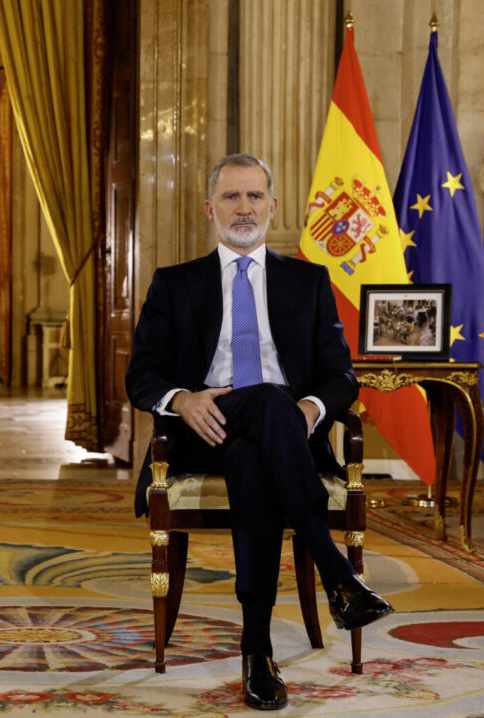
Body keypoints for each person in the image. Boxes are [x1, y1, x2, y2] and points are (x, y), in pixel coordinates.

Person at [125, 154, 393, 710]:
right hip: (202, 433)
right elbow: (140, 377)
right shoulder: (174, 284)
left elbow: (341, 375)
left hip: (283, 435)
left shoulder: (308, 281)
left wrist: (313, 410)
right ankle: (337, 573)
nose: (243, 209)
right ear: (209, 208)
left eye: (253, 197)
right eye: (230, 197)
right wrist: (184, 399)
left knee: (259, 440)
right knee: (265, 408)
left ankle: (257, 651)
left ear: (273, 207)